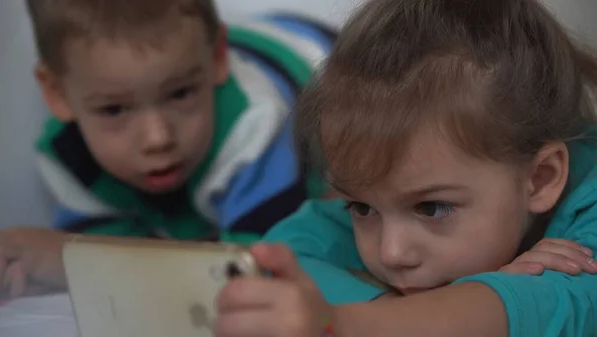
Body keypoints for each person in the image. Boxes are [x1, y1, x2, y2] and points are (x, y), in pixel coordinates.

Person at [214, 0, 597, 336]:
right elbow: (287, 252)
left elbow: (560, 311)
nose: (391, 253)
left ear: (540, 179)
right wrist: (400, 310)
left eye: (430, 208)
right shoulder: (414, 194)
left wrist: (341, 324)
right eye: (362, 208)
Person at [0, 0, 335, 302]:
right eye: (114, 110)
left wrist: (63, 257)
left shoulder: (254, 123)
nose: (157, 138)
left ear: (217, 57)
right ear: (56, 93)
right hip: (237, 42)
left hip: (321, 55)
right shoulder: (68, 154)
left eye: (181, 94)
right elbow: (118, 256)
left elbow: (260, 275)